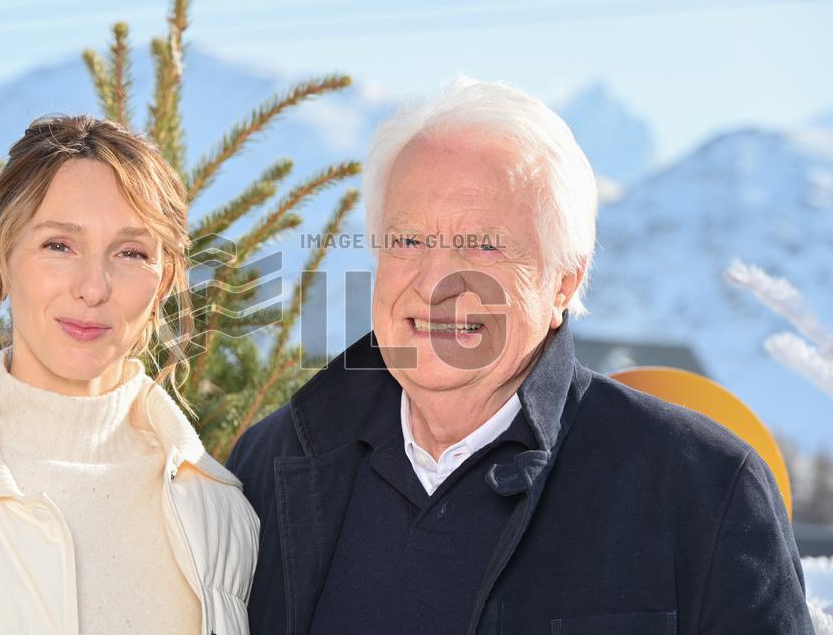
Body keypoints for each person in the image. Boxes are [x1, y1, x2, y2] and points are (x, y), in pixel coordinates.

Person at [225, 78, 813, 634]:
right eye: (407, 240)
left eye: (483, 245)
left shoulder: (702, 488)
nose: (436, 285)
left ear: (564, 281)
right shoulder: (273, 464)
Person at [0, 115, 258, 635]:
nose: (93, 287)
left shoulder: (220, 514)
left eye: (131, 253)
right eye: (59, 245)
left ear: (164, 278)